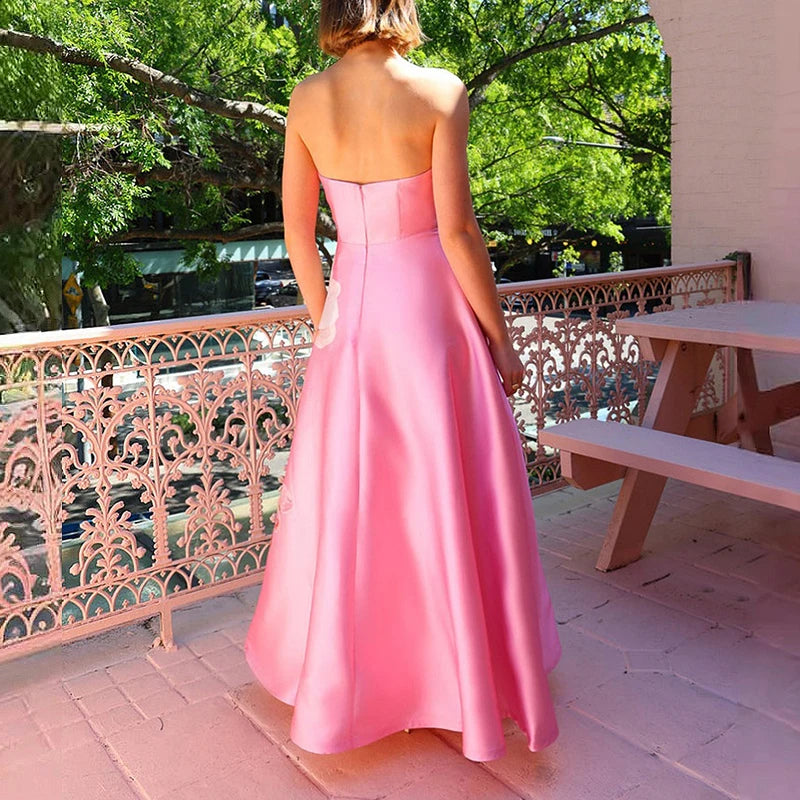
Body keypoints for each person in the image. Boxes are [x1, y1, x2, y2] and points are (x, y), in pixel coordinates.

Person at [244, 0, 562, 762]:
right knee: (441, 495)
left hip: (353, 320)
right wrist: (501, 341)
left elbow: (297, 235)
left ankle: (361, 684)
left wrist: (328, 323)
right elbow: (457, 231)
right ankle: (457, 680)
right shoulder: (441, 91)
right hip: (430, 322)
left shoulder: (307, 99)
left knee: (360, 503)